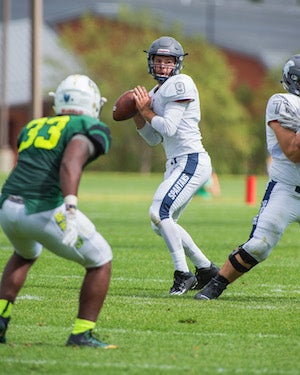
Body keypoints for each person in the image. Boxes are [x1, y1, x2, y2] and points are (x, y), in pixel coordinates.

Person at [0, 74, 117, 348]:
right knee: (101, 260)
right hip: (42, 207)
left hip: (7, 206)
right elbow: (70, 163)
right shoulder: (87, 125)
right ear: (91, 103)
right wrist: (71, 205)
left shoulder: (34, 125)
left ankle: (1, 322)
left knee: (24, 253)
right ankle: (82, 334)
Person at [195, 54, 300, 300]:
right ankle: (217, 284)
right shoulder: (282, 102)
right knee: (259, 245)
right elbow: (293, 151)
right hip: (286, 189)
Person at [132, 36, 219, 295]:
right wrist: (138, 115)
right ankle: (205, 268)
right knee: (160, 222)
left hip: (191, 158)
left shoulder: (181, 83)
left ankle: (183, 273)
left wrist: (147, 112)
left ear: (177, 64)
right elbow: (153, 138)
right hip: (176, 163)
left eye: (167, 61)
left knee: (159, 213)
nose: (162, 66)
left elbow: (168, 127)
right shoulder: (154, 93)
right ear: (151, 62)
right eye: (158, 61)